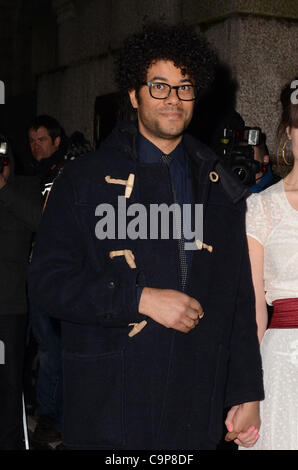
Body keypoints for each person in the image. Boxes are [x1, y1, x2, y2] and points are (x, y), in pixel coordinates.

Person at [28, 23, 264, 450]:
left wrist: (246, 390)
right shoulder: (83, 182)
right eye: (159, 86)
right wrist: (137, 297)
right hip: (111, 403)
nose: (173, 98)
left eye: (184, 86)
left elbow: (237, 299)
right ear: (134, 95)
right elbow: (47, 284)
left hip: (194, 405)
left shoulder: (219, 186)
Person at [27, 115, 93, 447]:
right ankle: (53, 416)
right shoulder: (41, 176)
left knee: (55, 350)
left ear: (57, 141)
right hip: (43, 274)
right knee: (49, 349)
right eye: (32, 141)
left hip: (61, 277)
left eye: (42, 139)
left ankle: (55, 419)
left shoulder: (64, 174)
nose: (36, 146)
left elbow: (53, 223)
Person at [242, 78, 298, 450]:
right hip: (282, 362)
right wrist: (246, 397)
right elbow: (253, 315)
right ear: (291, 134)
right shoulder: (262, 208)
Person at [0, 135, 42, 449]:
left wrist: (4, 188)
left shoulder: (24, 187)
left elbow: (41, 221)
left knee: (8, 383)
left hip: (9, 305)